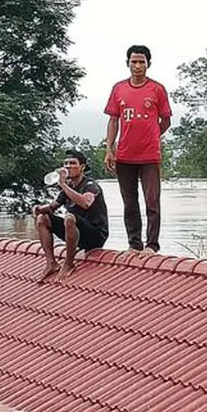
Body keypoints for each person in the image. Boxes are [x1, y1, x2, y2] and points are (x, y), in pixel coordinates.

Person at [103, 44, 172, 256]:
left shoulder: (157, 89)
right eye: (134, 61)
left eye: (142, 62)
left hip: (149, 156)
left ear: (148, 64)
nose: (138, 66)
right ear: (128, 63)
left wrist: (153, 135)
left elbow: (166, 120)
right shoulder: (119, 89)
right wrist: (109, 149)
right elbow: (113, 120)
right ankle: (134, 244)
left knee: (152, 201)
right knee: (129, 202)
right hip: (125, 155)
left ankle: (152, 245)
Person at [32, 150, 109, 281]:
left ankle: (69, 264)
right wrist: (38, 209)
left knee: (69, 217)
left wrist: (63, 185)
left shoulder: (91, 185)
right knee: (42, 218)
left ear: (82, 167)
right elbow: (53, 206)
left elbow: (86, 203)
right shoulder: (68, 187)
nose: (68, 166)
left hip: (95, 234)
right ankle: (51, 263)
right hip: (75, 230)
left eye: (72, 163)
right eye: (66, 163)